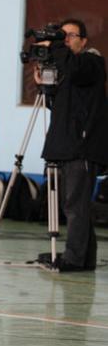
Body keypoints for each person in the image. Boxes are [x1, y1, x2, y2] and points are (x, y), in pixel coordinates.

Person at [35, 18, 108, 272]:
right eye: (60, 36)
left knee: (75, 206)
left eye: (70, 36)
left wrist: (54, 45)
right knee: (75, 206)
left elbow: (75, 68)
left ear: (84, 40)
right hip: (65, 144)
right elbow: (59, 107)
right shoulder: (68, 69)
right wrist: (45, 87)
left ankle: (73, 259)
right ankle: (84, 258)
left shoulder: (92, 62)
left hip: (82, 146)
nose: (64, 41)